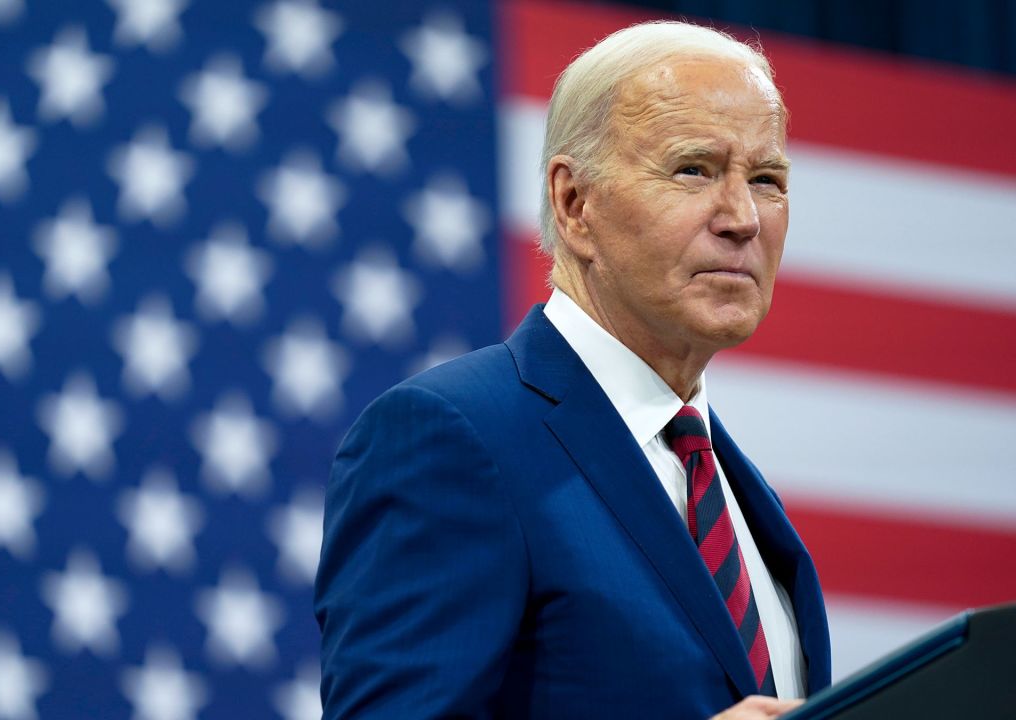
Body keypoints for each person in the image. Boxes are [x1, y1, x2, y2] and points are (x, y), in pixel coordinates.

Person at [314, 19, 831, 720]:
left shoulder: (732, 485)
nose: (742, 217)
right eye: (693, 170)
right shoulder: (453, 437)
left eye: (767, 179)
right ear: (574, 204)